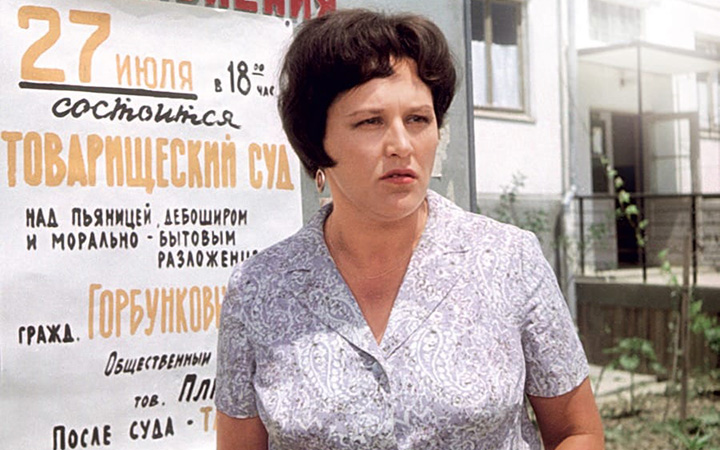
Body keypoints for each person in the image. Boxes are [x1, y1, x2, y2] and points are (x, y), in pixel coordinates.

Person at [215, 8, 604, 450]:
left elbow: (577, 431)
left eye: (418, 119)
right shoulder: (259, 289)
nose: (401, 145)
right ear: (316, 141)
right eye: (371, 121)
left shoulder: (507, 260)